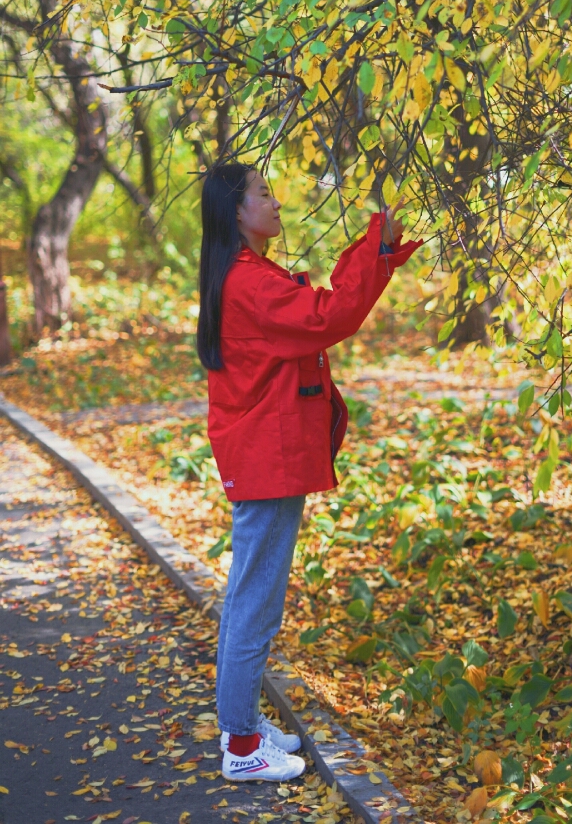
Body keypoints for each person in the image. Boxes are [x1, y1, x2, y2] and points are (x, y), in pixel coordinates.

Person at [197, 161, 422, 782]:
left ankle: (241, 723)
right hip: (265, 457)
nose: (275, 201)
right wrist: (377, 241)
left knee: (253, 596)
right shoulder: (247, 281)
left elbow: (316, 312)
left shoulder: (248, 273)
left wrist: (376, 246)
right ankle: (242, 747)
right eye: (262, 194)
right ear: (236, 213)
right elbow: (326, 317)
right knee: (255, 602)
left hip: (267, 454)